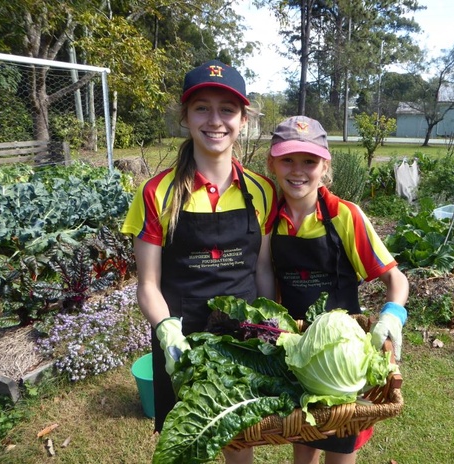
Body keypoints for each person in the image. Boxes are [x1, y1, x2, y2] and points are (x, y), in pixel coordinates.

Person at [121, 59, 277, 464]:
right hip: (180, 341)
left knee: (239, 440)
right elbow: (147, 285)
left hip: (243, 340)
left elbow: (262, 269)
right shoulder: (157, 192)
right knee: (185, 445)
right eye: (202, 108)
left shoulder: (263, 191)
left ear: (243, 120)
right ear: (185, 116)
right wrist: (166, 332)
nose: (215, 120)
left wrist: (272, 325)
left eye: (227, 109)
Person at [267, 116, 409, 464]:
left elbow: (396, 279)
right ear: (272, 164)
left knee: (341, 449)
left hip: (343, 358)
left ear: (325, 166)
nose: (297, 171)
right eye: (287, 160)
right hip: (298, 353)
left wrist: (392, 315)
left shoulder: (344, 215)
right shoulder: (269, 218)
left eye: (309, 161)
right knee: (303, 447)